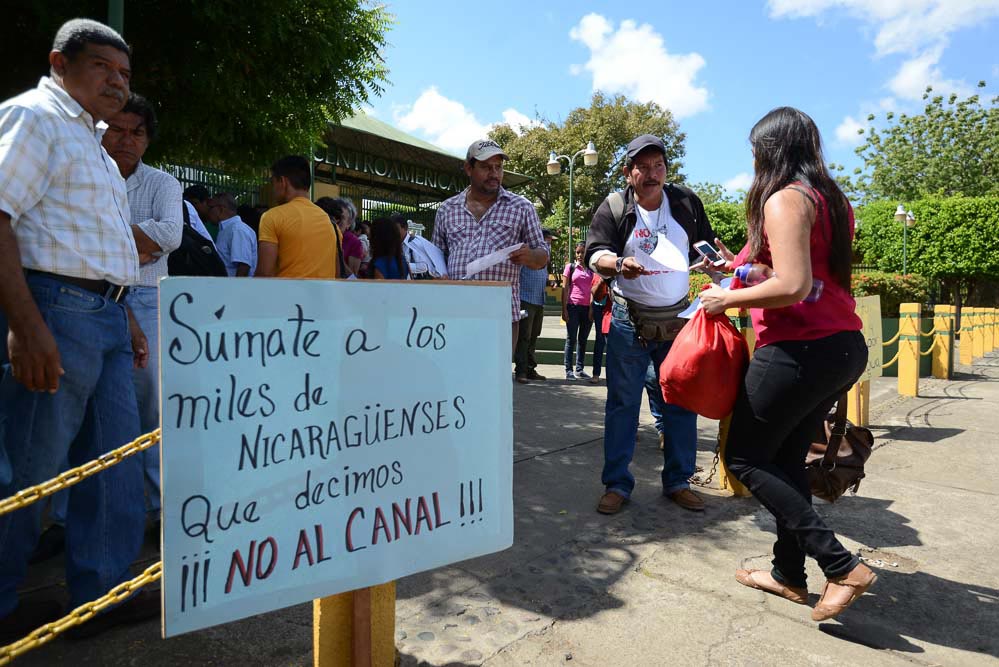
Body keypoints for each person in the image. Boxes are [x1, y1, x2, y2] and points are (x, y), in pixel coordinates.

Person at [0, 18, 158, 640]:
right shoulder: (34, 118)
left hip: (106, 317)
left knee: (113, 462)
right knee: (31, 470)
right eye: (102, 68)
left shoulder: (90, 140)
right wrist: (25, 324)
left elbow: (92, 242)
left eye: (124, 74)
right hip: (54, 312)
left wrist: (123, 313)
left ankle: (100, 592)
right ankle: (4, 603)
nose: (117, 84)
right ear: (59, 63)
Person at [698, 107, 873, 621]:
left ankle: (841, 566)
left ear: (769, 152)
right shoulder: (830, 200)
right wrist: (744, 269)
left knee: (746, 459)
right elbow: (807, 274)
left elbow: (792, 286)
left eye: (755, 151)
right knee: (786, 461)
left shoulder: (783, 199)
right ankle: (788, 575)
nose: (751, 161)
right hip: (839, 346)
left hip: (799, 350)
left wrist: (723, 302)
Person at [585, 134, 716, 515]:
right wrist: (617, 264)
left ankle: (678, 481)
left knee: (679, 401)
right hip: (629, 319)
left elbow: (703, 244)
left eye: (658, 165)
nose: (652, 173)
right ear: (628, 173)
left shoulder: (686, 203)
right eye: (643, 166)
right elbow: (594, 253)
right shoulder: (613, 206)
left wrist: (713, 263)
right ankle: (617, 484)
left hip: (678, 319)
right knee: (622, 403)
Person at [433, 139, 549, 353]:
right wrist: (438, 275)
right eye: (486, 167)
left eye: (498, 167)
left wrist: (530, 256)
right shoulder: (447, 209)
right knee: (455, 378)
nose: (494, 173)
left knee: (495, 382)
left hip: (501, 315)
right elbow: (437, 255)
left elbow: (542, 257)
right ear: (469, 168)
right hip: (455, 312)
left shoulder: (522, 207)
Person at [255, 156, 336, 279]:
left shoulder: (272, 217)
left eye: (273, 182)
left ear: (283, 181)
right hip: (322, 297)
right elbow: (337, 273)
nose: (273, 189)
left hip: (287, 296)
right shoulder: (330, 223)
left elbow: (265, 274)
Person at [514, 229, 555, 384]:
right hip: (525, 299)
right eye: (547, 242)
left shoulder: (543, 261)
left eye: (550, 243)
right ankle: (521, 371)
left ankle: (530, 369)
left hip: (539, 300)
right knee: (524, 336)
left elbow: (541, 276)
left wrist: (549, 282)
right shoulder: (528, 257)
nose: (549, 245)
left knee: (533, 336)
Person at [562, 242, 594, 380]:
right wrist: (563, 309)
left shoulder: (592, 270)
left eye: (583, 252)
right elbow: (564, 289)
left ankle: (579, 369)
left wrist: (592, 309)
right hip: (573, 306)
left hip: (587, 308)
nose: (580, 255)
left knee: (583, 340)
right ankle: (568, 370)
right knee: (571, 338)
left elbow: (593, 290)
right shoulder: (570, 267)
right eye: (578, 252)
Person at [211, 192, 257, 276]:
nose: (208, 211)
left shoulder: (237, 230)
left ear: (221, 209)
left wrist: (236, 288)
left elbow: (243, 266)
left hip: (233, 287)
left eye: (211, 207)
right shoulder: (227, 229)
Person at [395, 215, 448, 279]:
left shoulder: (416, 243)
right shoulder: (393, 246)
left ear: (405, 228)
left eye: (396, 230)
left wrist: (405, 266)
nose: (393, 233)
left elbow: (425, 266)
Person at [589, 272, 609, 384]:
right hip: (598, 309)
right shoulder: (597, 270)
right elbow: (592, 291)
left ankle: (611, 375)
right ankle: (596, 374)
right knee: (599, 340)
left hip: (610, 309)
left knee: (611, 343)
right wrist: (591, 307)